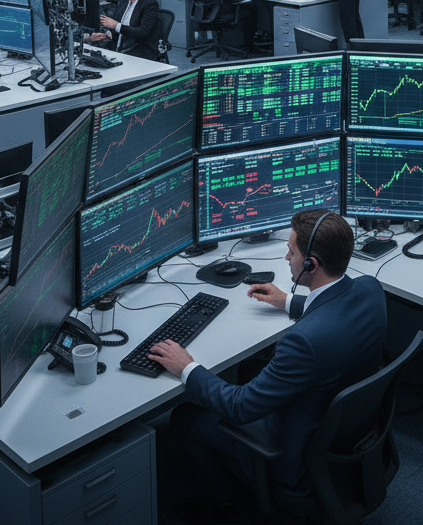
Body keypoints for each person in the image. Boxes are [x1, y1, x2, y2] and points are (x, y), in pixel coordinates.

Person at [149, 210, 387, 513]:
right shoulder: (370, 289)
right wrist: (287, 300)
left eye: (291, 251)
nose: (287, 257)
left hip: (294, 456)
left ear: (311, 264)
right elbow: (336, 308)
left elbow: (240, 406)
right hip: (342, 432)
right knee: (252, 367)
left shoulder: (303, 342)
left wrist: (187, 367)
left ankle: (230, 505)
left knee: (184, 417)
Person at [88, 0, 161, 61]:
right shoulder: (122, 4)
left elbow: (143, 32)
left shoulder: (150, 4)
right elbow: (118, 32)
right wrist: (107, 35)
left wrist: (116, 25)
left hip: (140, 52)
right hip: (120, 49)